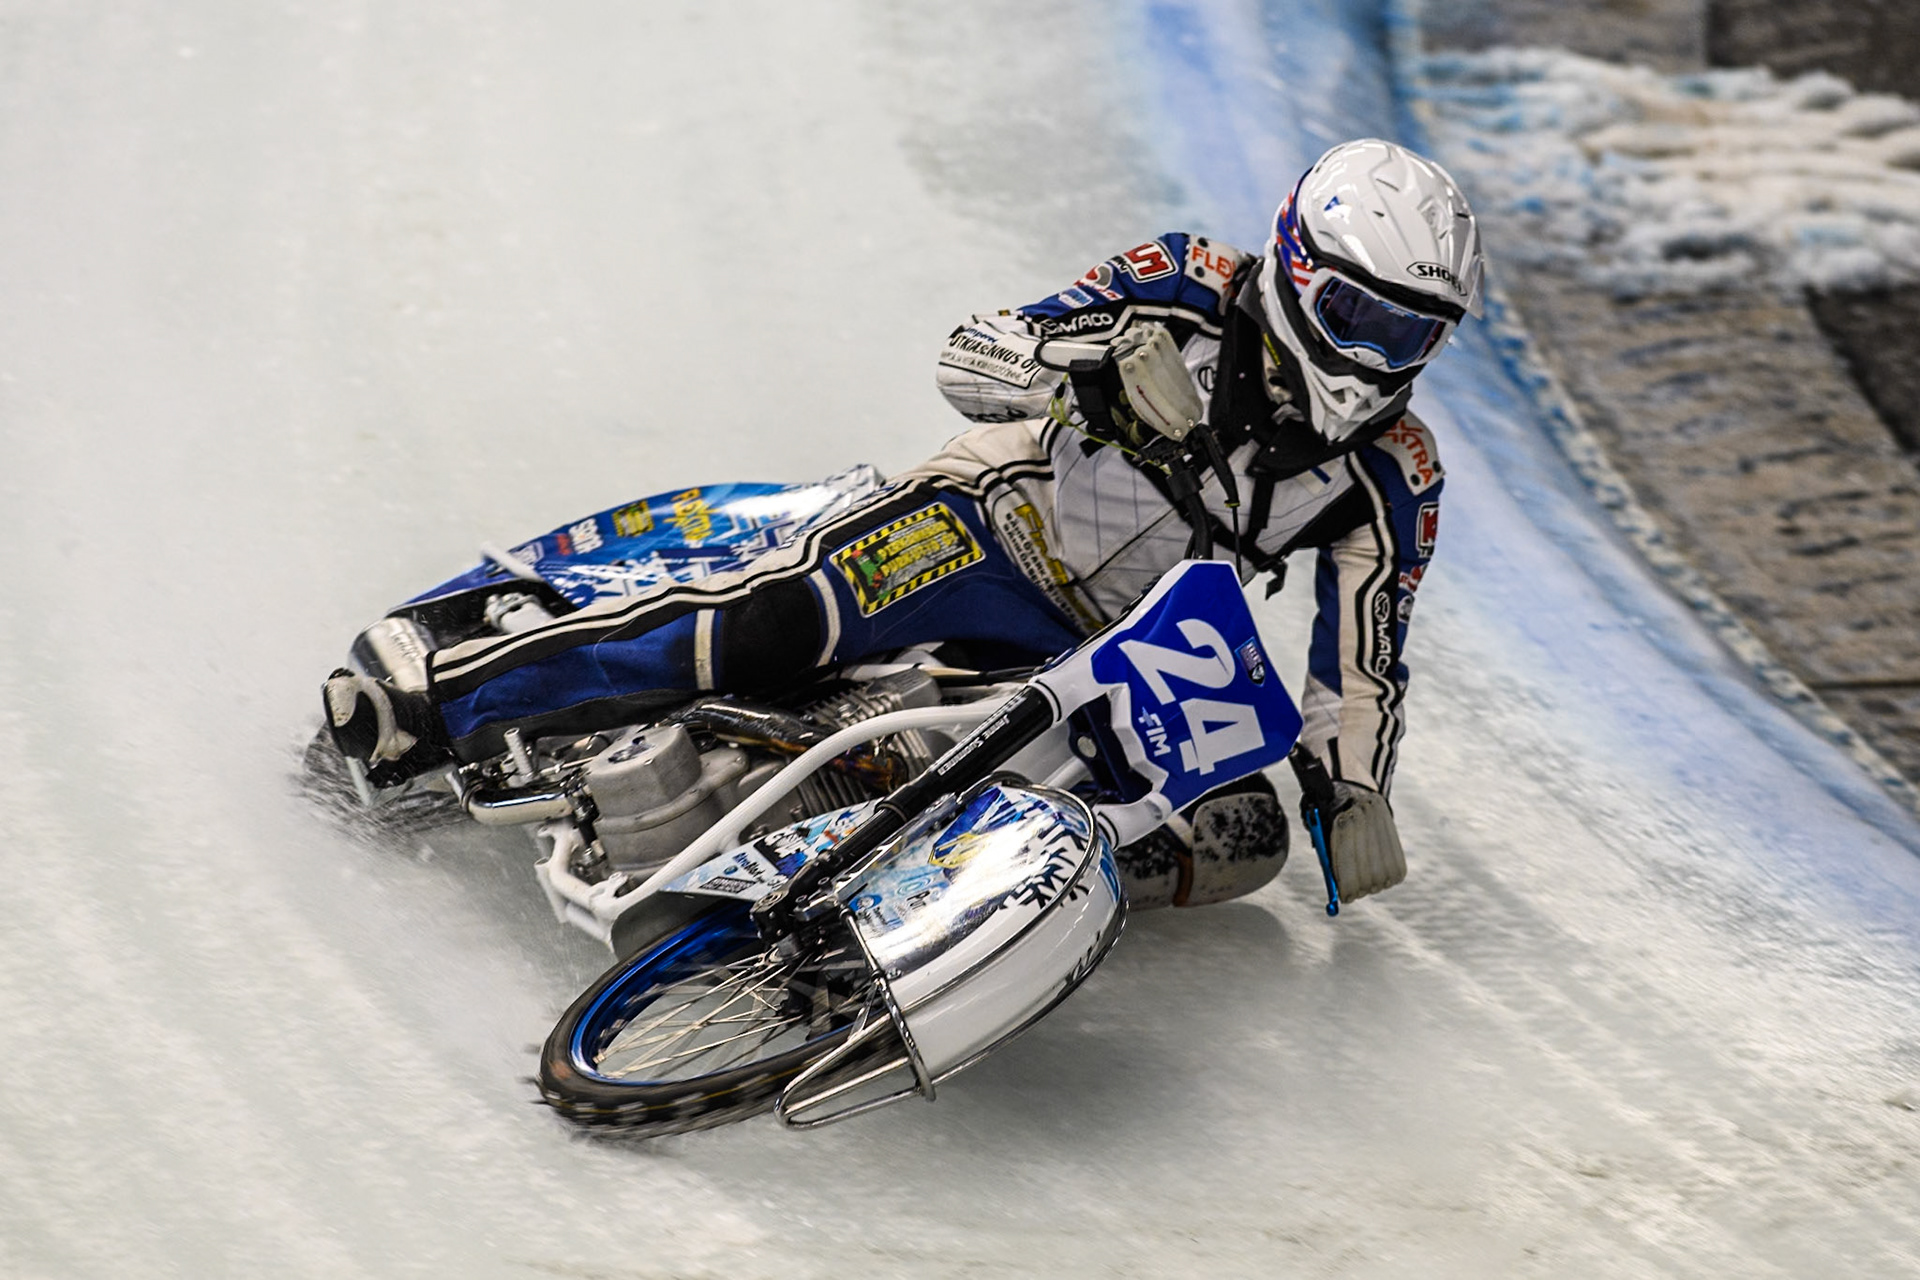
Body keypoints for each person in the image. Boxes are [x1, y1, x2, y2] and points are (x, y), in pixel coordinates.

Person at [324, 137, 1485, 903]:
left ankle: (910, 896)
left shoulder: (1397, 470)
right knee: (770, 621)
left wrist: (1354, 789)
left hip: (1127, 652)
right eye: (1352, 312)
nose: (1368, 357)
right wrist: (1096, 364)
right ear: (1291, 265)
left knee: (1241, 837)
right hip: (994, 523)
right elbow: (974, 350)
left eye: (1406, 335)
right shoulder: (1182, 280)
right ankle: (431, 698)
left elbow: (1362, 660)